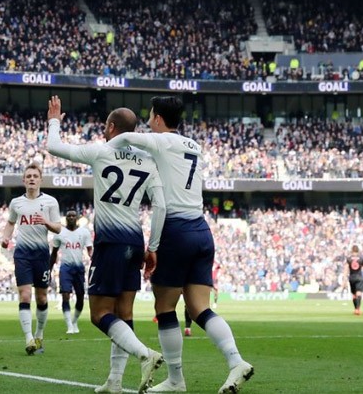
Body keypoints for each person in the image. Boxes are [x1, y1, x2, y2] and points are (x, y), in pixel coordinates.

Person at [108, 96, 254, 394]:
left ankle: (176, 379)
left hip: (176, 229)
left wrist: (105, 146)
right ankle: (235, 361)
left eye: (150, 116)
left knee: (164, 307)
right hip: (201, 228)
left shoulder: (161, 141)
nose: (148, 121)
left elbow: (123, 136)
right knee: (200, 307)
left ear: (159, 119)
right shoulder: (194, 146)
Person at [46, 96, 165, 394]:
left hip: (111, 242)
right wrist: (154, 247)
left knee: (99, 314)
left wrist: (55, 120)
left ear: (111, 128)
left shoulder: (101, 151)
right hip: (135, 241)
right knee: (124, 313)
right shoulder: (148, 161)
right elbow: (160, 206)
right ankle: (114, 381)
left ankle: (144, 354)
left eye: (105, 126)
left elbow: (55, 147)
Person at [0, 163, 62, 356]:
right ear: (24, 180)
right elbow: (10, 223)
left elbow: (58, 228)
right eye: (29, 176)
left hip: (41, 254)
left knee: (42, 297)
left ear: (40, 179)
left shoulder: (51, 202)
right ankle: (28, 338)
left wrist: (45, 222)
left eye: (35, 176)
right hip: (23, 254)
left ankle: (39, 334)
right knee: (25, 295)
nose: (32, 179)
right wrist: (6, 237)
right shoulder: (16, 203)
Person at [50, 209, 93, 334]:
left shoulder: (84, 232)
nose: (71, 217)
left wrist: (93, 257)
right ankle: (69, 325)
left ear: (77, 218)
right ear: (66, 218)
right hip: (66, 267)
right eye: (69, 215)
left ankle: (74, 321)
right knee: (65, 295)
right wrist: (49, 268)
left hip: (79, 267)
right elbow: (54, 253)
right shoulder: (60, 233)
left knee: (80, 297)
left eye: (74, 215)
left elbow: (90, 249)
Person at [347, 245, 363, 316]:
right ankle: (358, 309)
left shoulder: (349, 259)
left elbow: (346, 269)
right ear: (358, 251)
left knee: (354, 294)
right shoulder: (361, 259)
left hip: (351, 278)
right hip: (359, 277)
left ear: (352, 251)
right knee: (359, 293)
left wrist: (344, 278)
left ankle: (355, 309)